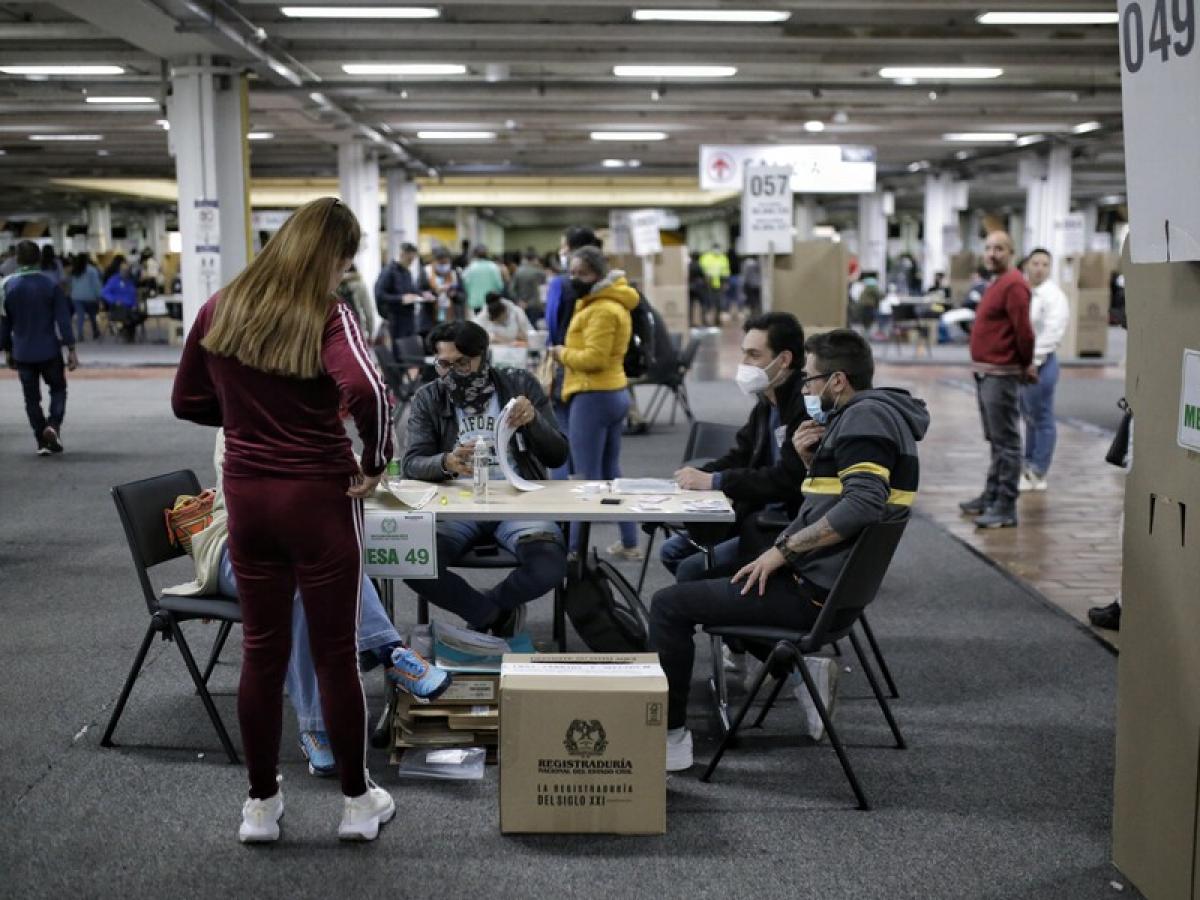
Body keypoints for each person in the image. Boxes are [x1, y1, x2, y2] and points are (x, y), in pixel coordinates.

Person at [172, 197, 396, 844]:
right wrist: (375, 461)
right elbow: (370, 391)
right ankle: (356, 803)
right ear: (328, 254)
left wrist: (248, 424)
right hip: (319, 499)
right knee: (334, 657)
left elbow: (186, 399)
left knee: (261, 654)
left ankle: (261, 806)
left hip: (247, 499)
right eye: (344, 260)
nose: (344, 273)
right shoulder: (329, 315)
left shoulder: (221, 308)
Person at [649, 329, 928, 771]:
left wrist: (782, 552)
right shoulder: (873, 415)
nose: (807, 389)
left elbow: (863, 502)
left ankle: (671, 734)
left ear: (838, 381)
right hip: (828, 586)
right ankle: (797, 672)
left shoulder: (864, 419)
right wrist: (806, 464)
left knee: (668, 605)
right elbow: (832, 498)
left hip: (810, 591)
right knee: (699, 576)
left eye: (812, 380)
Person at [164, 431, 451, 777]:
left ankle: (388, 655)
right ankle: (319, 722)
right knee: (300, 583)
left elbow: (349, 470)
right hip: (236, 548)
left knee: (332, 560)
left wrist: (357, 469)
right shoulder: (236, 426)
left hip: (297, 544)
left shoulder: (309, 416)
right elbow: (268, 500)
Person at [402, 320, 568, 633]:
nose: (453, 372)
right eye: (444, 364)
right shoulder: (429, 397)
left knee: (549, 565)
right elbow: (412, 462)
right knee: (415, 562)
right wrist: (446, 462)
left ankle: (488, 609)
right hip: (456, 504)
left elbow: (558, 454)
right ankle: (493, 615)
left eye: (463, 362)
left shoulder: (519, 384)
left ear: (483, 356)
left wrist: (533, 423)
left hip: (518, 501)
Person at [666, 312, 809, 582]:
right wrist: (697, 477)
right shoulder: (767, 403)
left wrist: (716, 480)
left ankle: (725, 604)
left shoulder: (804, 406)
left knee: (687, 567)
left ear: (784, 360)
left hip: (782, 526)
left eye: (754, 355)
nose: (743, 363)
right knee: (672, 550)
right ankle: (715, 600)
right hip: (754, 512)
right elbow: (741, 454)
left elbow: (787, 479)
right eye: (744, 353)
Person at [549, 246, 641, 558]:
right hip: (613, 392)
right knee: (610, 473)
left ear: (598, 275)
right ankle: (630, 542)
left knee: (583, 479)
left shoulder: (602, 308)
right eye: (571, 272)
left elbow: (594, 358)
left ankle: (573, 549)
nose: (574, 279)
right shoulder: (610, 303)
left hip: (593, 395)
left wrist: (561, 353)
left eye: (582, 274)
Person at [960, 231, 1035, 529]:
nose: (992, 253)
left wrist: (1025, 363)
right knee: (996, 441)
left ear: (1011, 252)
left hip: (1000, 373)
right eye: (988, 248)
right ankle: (992, 496)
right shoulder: (996, 283)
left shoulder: (1015, 284)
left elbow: (1024, 332)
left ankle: (1006, 505)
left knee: (1007, 443)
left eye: (999, 248)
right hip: (985, 372)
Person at [0, 240, 78, 455]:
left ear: (17, 259)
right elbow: (63, 320)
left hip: (22, 352)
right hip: (49, 350)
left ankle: (41, 440)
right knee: (58, 389)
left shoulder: (8, 287)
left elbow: (4, 323)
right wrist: (71, 348)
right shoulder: (50, 285)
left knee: (31, 398)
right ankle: (53, 425)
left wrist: (7, 349)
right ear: (38, 259)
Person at [543, 226, 603, 479]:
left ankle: (564, 500)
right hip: (601, 377)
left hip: (567, 361)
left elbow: (552, 323)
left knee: (561, 431)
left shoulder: (561, 283)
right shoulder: (605, 286)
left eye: (564, 246)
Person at [1018, 248, 1069, 493]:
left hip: (1042, 363)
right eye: (1035, 263)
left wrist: (1033, 361)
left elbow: (1052, 333)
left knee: (1042, 418)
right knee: (1028, 417)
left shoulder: (1054, 296)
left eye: (1045, 264)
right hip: (1022, 363)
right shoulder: (1023, 291)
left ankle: (1038, 470)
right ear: (1027, 265)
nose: (1039, 268)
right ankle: (1027, 466)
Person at [375, 242, 433, 349]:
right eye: (409, 260)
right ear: (402, 255)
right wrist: (400, 298)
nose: (411, 263)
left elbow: (411, 290)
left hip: (409, 317)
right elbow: (380, 295)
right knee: (399, 350)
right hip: (396, 318)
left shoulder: (407, 272)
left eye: (413, 260)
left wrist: (422, 294)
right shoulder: (388, 272)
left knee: (409, 348)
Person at [101, 256, 144, 343]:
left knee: (140, 315)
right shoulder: (114, 280)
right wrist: (114, 300)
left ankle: (127, 332)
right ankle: (126, 333)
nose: (126, 272)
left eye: (127, 270)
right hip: (118, 307)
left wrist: (135, 305)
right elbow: (104, 292)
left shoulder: (130, 282)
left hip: (130, 308)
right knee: (128, 315)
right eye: (124, 270)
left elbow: (133, 296)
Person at [424, 245, 467, 322]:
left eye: (446, 262)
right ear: (434, 261)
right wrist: (434, 293)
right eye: (440, 263)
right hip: (431, 318)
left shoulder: (455, 273)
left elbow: (463, 295)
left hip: (451, 317)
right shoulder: (426, 272)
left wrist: (454, 295)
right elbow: (420, 292)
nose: (443, 265)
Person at [67, 253, 103, 341]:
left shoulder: (75, 270)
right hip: (90, 297)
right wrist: (99, 295)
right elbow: (96, 284)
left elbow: (70, 284)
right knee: (92, 316)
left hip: (76, 297)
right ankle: (95, 332)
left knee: (80, 316)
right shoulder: (92, 270)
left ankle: (80, 334)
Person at [335, 263, 378, 338]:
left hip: (337, 330)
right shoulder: (359, 284)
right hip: (356, 328)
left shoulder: (334, 285)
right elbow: (368, 311)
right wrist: (370, 333)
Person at [461, 245, 505, 315]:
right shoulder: (493, 267)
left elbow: (464, 283)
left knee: (478, 323)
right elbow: (500, 286)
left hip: (475, 302)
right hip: (491, 303)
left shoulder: (470, 267)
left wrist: (471, 293)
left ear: (475, 254)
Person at [698, 243, 730, 323]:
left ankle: (717, 320)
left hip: (719, 284)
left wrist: (725, 282)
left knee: (719, 303)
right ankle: (705, 321)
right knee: (707, 303)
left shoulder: (723, 258)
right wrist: (704, 278)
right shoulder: (705, 257)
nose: (717, 251)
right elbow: (700, 269)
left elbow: (725, 271)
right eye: (715, 249)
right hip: (707, 284)